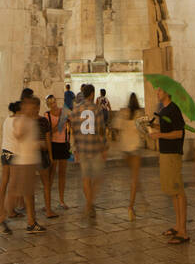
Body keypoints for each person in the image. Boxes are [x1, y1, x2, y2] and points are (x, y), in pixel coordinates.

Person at [150, 87, 188, 244]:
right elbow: (168, 129)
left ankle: (183, 231)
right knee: (172, 190)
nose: (157, 93)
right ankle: (178, 225)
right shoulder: (164, 110)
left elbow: (179, 132)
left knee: (178, 190)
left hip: (173, 153)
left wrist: (159, 135)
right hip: (165, 153)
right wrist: (154, 128)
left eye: (160, 91)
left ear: (167, 92)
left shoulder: (173, 109)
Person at [71, 83, 109, 221]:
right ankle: (89, 204)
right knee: (98, 177)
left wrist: (75, 149)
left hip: (82, 149)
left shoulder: (76, 109)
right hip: (95, 148)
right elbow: (100, 130)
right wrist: (104, 147)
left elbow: (74, 130)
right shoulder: (96, 108)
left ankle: (89, 204)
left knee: (86, 178)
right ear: (92, 94)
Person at [10, 94, 46, 232]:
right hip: (25, 161)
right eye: (34, 106)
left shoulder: (28, 120)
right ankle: (5, 217)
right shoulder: (23, 120)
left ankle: (31, 220)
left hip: (29, 161)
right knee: (22, 193)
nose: (36, 110)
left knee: (28, 193)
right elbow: (18, 135)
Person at [117, 91, 146, 220]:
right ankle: (131, 206)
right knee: (134, 178)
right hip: (135, 149)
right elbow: (143, 132)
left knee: (134, 177)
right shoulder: (139, 115)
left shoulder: (123, 113)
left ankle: (142, 200)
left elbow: (117, 127)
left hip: (125, 149)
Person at [32, 95, 59, 221]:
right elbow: (48, 140)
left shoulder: (27, 121)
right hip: (41, 154)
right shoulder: (43, 121)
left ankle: (31, 210)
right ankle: (48, 210)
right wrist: (51, 156)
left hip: (31, 155)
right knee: (46, 183)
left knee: (31, 184)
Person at [0, 100, 19, 234]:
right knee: (13, 184)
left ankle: (1, 209)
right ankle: (8, 211)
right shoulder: (17, 121)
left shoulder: (7, 119)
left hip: (5, 152)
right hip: (14, 153)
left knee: (4, 181)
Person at [46, 93, 71, 209]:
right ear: (48, 105)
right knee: (51, 174)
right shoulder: (47, 116)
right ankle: (48, 201)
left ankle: (62, 200)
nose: (53, 105)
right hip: (54, 145)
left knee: (62, 174)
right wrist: (60, 124)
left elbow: (71, 123)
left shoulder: (64, 111)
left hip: (64, 144)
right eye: (50, 103)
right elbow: (48, 132)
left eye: (54, 102)